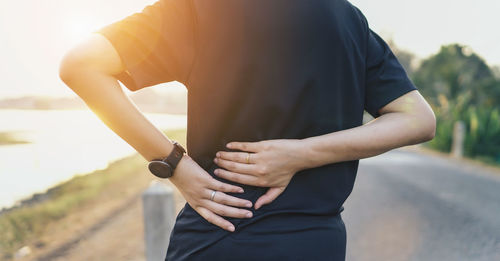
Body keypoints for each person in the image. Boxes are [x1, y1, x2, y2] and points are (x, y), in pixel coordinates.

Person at [59, 0, 436, 260]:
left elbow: (80, 65)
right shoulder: (347, 18)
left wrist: (174, 163)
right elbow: (417, 118)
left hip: (221, 236)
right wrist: (302, 154)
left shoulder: (202, 8)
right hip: (318, 245)